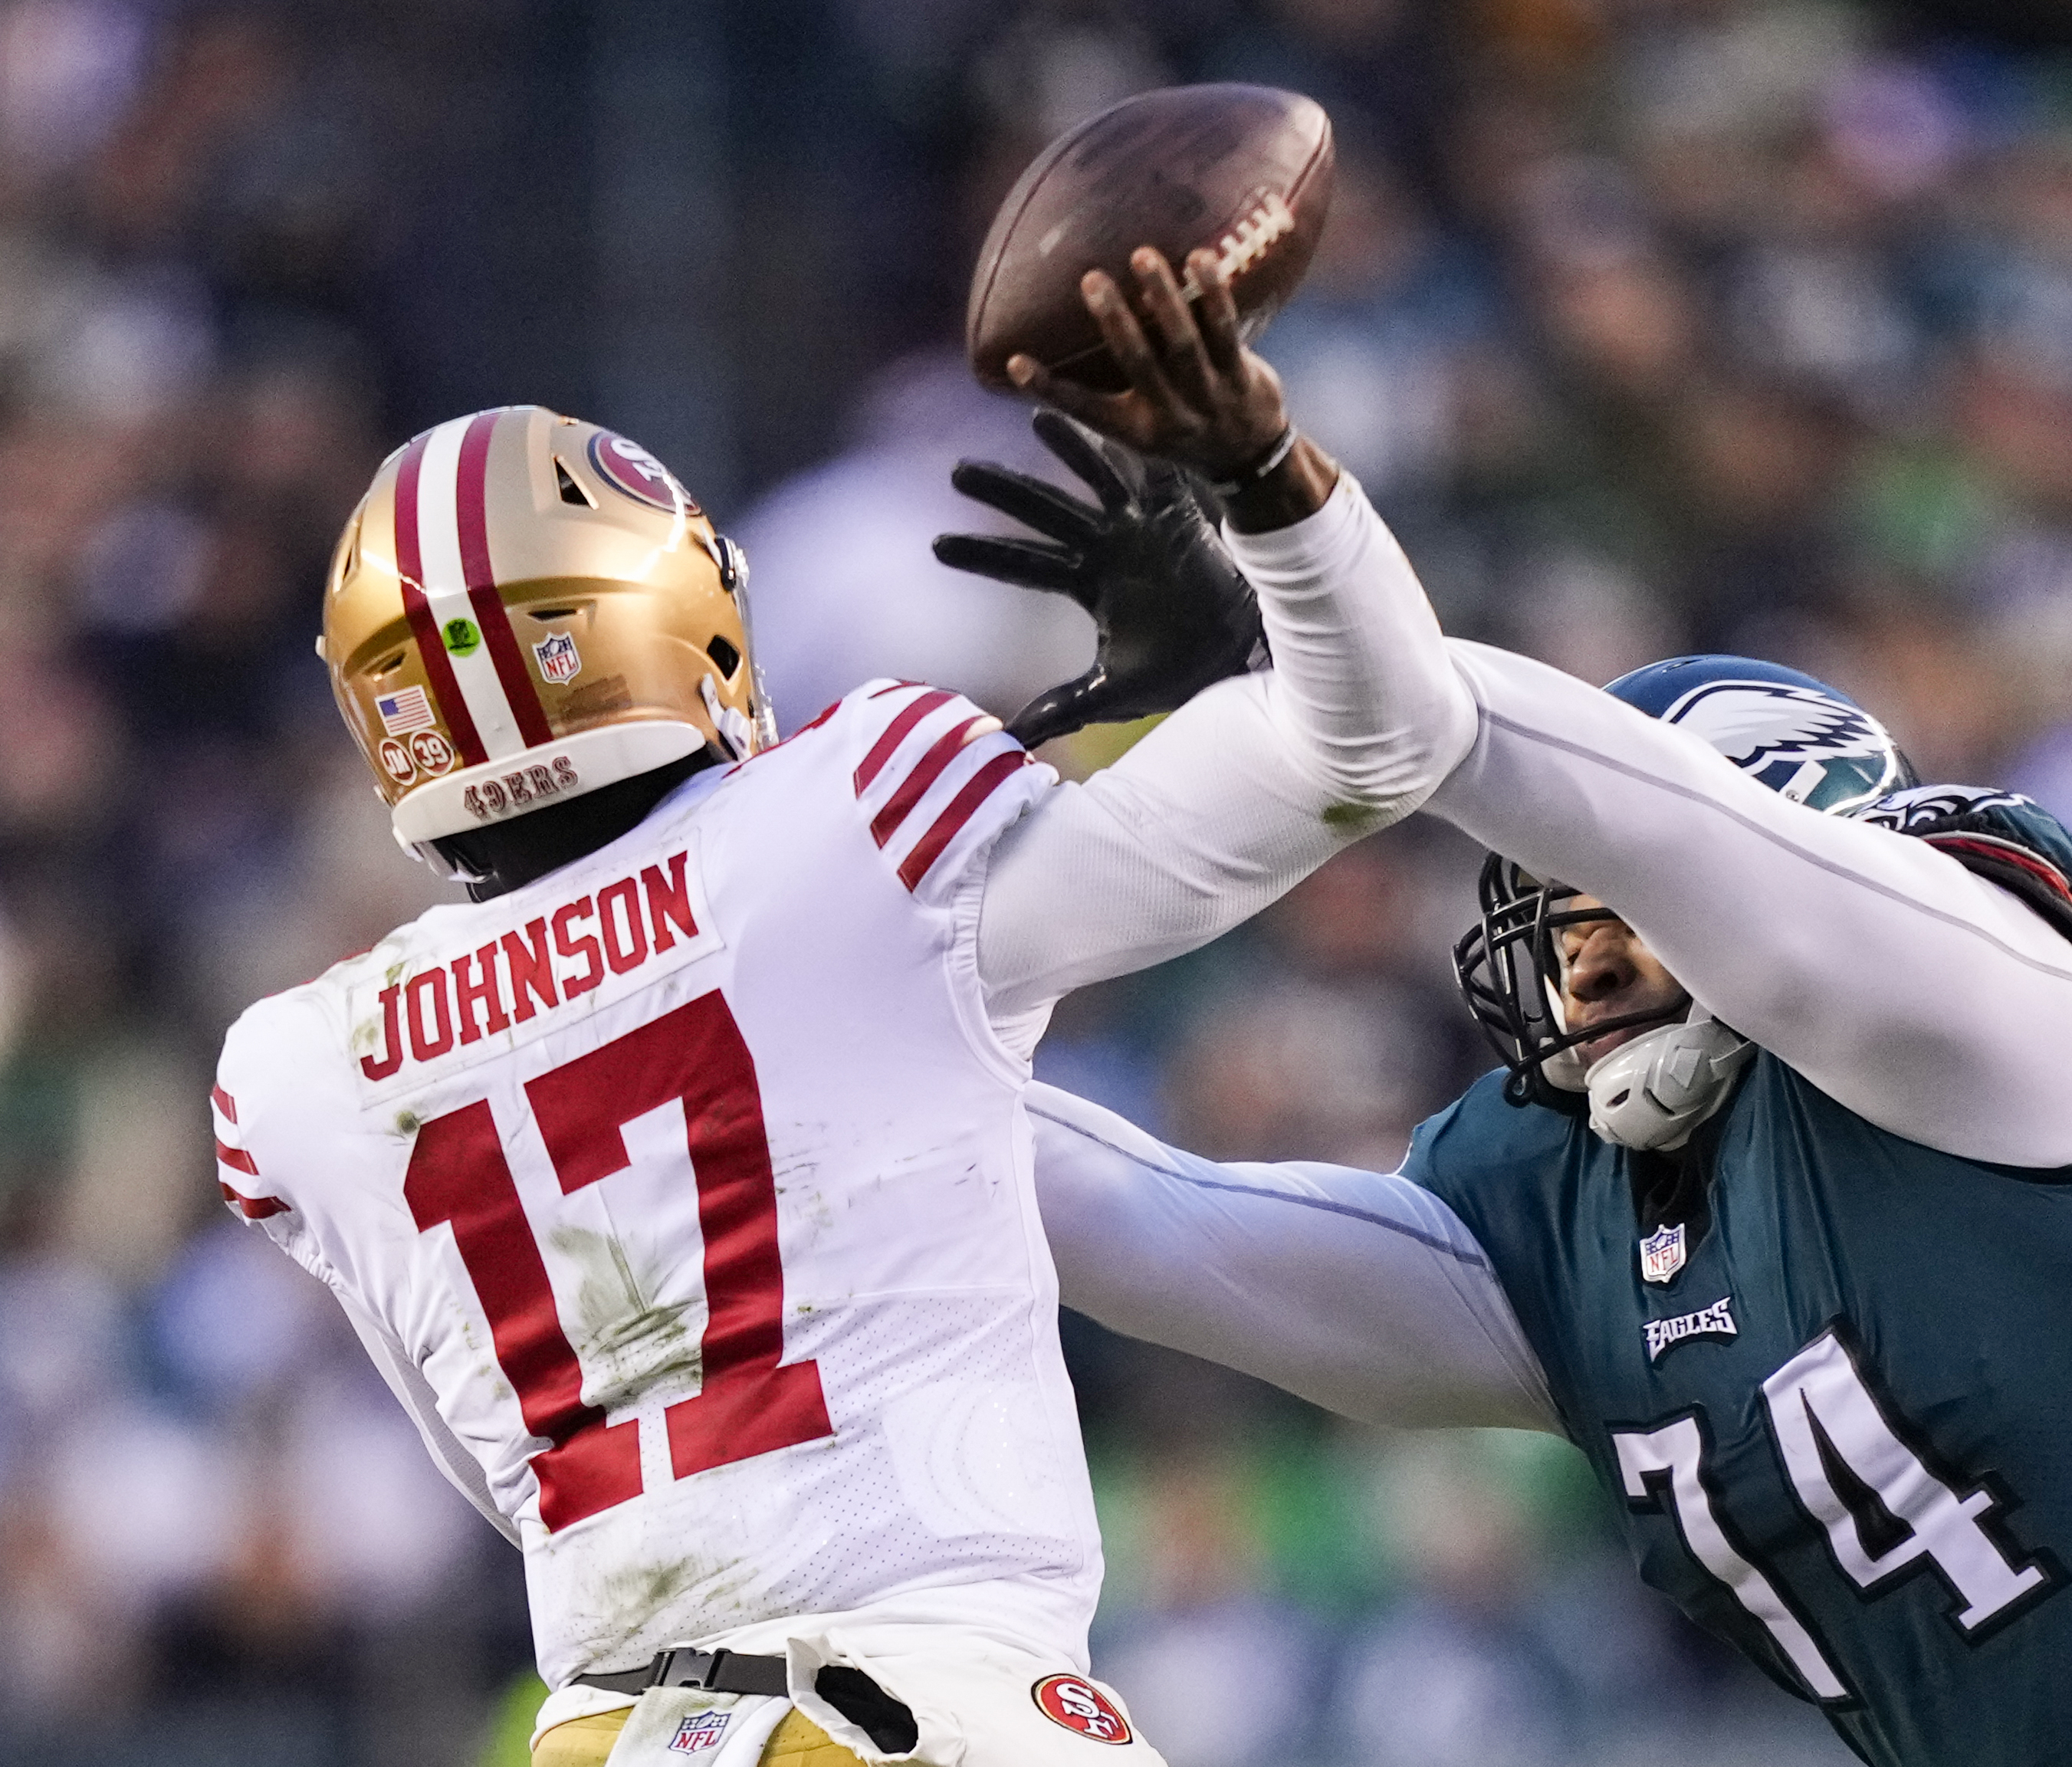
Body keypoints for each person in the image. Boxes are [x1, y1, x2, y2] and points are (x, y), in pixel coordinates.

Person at [954, 353, 2072, 1764]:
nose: (1586, 946)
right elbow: (1134, 1219)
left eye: (1618, 892)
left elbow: (1605, 807)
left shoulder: (1984, 1019)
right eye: (1554, 918)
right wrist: (832, 1016)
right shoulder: (1569, 1211)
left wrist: (1296, 592)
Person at [210, 247, 1475, 1767]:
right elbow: (1385, 739)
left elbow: (511, 1468)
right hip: (929, 1711)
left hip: (601, 1732)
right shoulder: (852, 816)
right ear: (676, 614)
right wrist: (1253, 567)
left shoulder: (297, 1069)